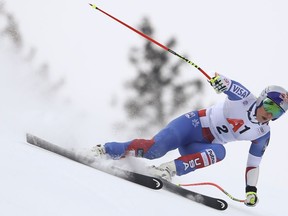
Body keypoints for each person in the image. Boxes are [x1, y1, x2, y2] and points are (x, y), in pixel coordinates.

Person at [92, 73, 288, 207]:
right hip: (191, 126)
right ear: (261, 99)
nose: (270, 114)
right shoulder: (244, 97)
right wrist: (218, 81)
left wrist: (251, 191)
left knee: (220, 152)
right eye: (270, 106)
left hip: (201, 146)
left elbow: (253, 164)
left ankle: (166, 170)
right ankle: (104, 150)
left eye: (278, 112)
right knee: (153, 150)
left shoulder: (262, 133)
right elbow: (226, 82)